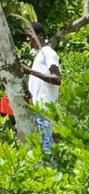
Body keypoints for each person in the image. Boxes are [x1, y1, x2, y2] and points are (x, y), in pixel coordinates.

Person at [25, 22, 61, 154]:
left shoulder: (48, 53)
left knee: (46, 148)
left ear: (39, 36)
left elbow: (56, 79)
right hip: (39, 109)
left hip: (44, 109)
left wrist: (30, 71)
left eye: (30, 36)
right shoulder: (40, 54)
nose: (27, 40)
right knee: (41, 147)